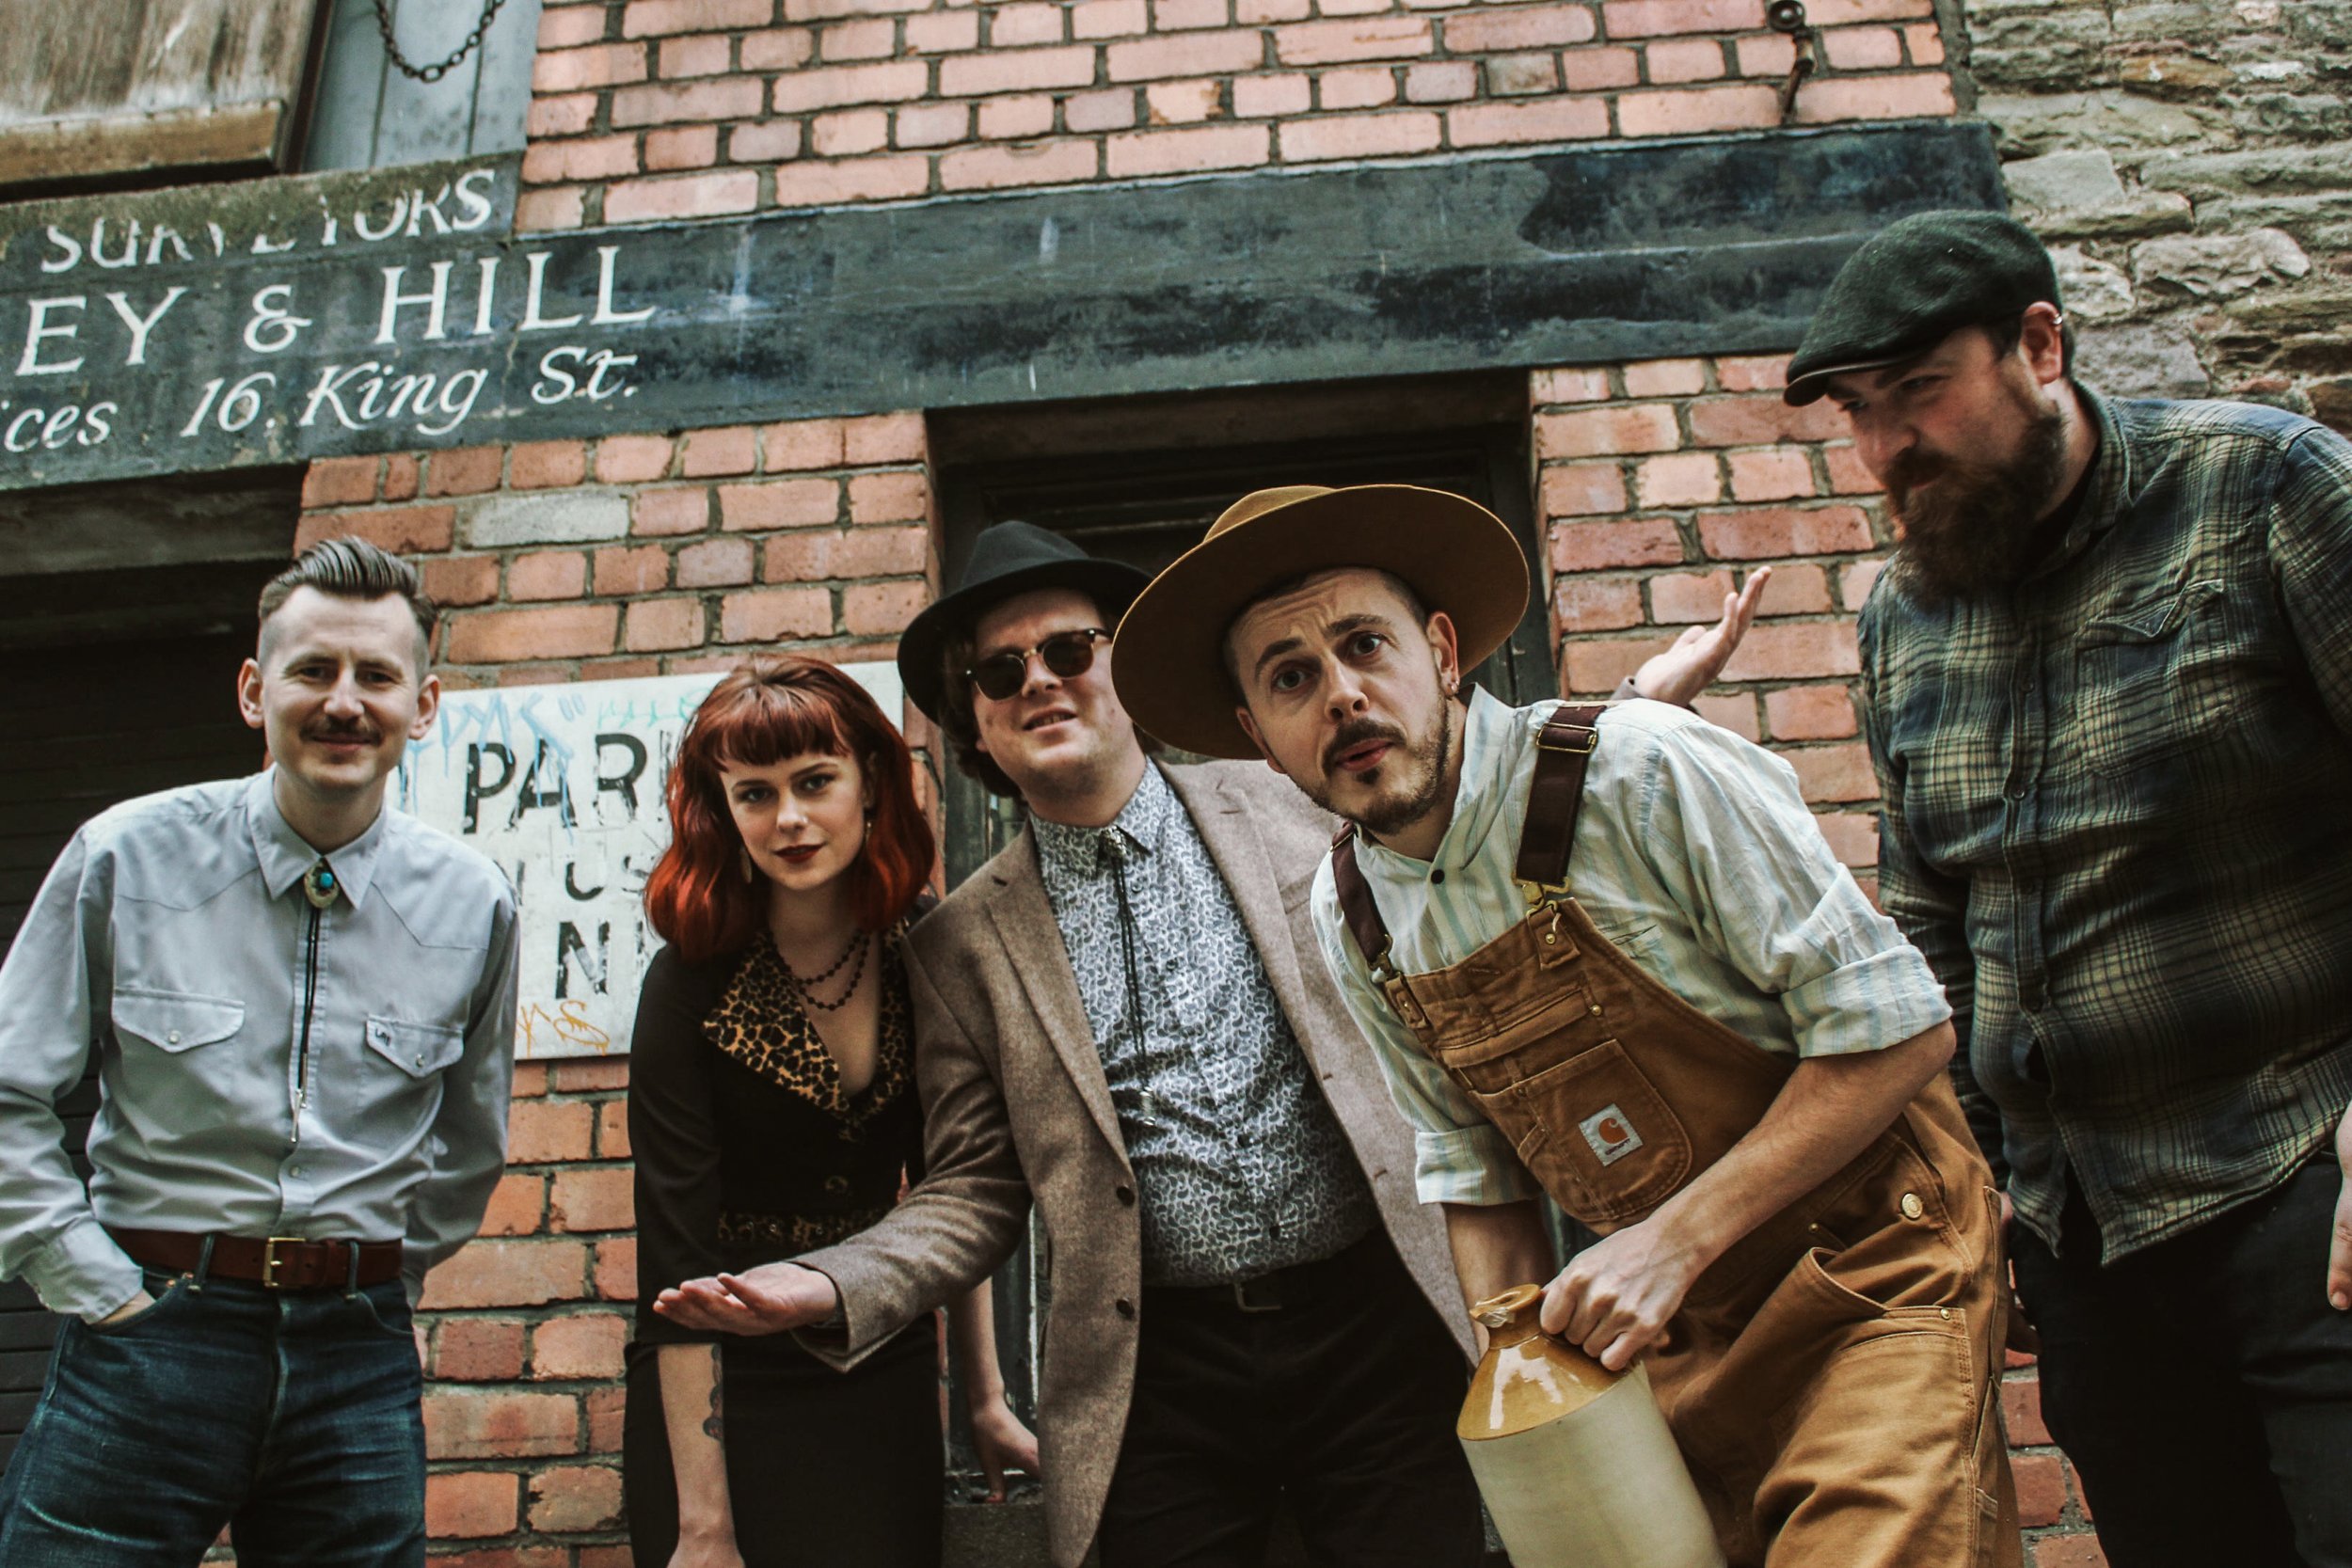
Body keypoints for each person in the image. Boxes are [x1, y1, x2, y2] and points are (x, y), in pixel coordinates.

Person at [655, 520, 1752, 1568]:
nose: (1037, 678)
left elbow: (1458, 810)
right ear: (975, 725)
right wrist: (825, 1282)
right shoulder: (957, 944)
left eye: (1070, 648)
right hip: (1153, 1374)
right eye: (999, 673)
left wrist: (1623, 714)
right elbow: (975, 1186)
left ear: (1124, 673)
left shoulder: (1291, 799)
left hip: (1377, 1324)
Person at [1110, 483, 2021, 1568]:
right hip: (1673, 1346)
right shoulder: (1348, 908)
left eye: (1365, 644)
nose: (1343, 696)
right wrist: (1525, 1379)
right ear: (1259, 735)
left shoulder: (1642, 769)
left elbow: (1897, 1032)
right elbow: (1471, 1166)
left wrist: (1669, 1242)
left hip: (1875, 1274)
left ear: (1442, 650)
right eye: (1292, 677)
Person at [1787, 209, 2352, 1568]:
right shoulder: (1904, 611)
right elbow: (1933, 928)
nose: (1885, 451)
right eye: (1859, 414)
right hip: (2087, 1241)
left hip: (2306, 1184)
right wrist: (1985, 1196)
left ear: (2040, 343)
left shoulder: (2266, 487)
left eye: (1918, 393)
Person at [0, 538, 518, 1567]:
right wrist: (92, 1277)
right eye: (313, 669)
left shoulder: (472, 902)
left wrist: (374, 1275)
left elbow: (468, 1140)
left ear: (423, 703)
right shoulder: (125, 854)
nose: (343, 701)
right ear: (254, 689)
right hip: (150, 1328)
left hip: (355, 1355)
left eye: (377, 675)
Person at [623, 657, 1036, 1568]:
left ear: (870, 785)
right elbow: (674, 1263)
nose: (791, 818)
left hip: (871, 1354)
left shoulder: (918, 948)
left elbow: (950, 1196)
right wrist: (703, 1525)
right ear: (721, 812)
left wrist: (982, 1403)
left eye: (815, 781)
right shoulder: (690, 980)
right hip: (717, 1382)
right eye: (755, 794)